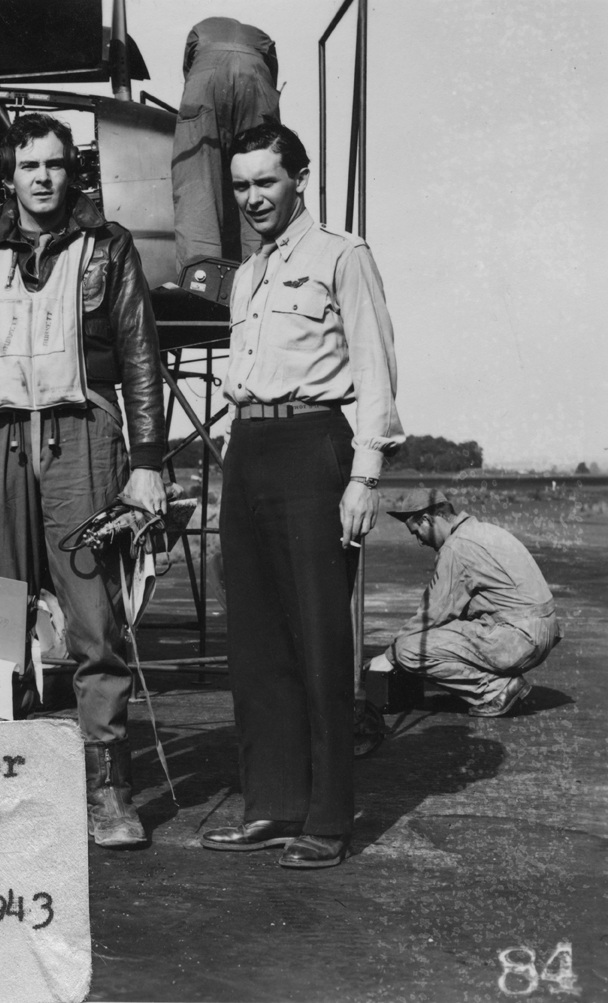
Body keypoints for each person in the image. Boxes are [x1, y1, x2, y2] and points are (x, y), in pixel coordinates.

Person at [0, 113, 167, 849]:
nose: (43, 178)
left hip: (81, 432)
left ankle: (106, 788)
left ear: (75, 173)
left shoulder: (108, 247)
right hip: (0, 437)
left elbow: (139, 353)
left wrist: (144, 461)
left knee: (91, 615)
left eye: (56, 165)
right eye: (29, 166)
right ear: (7, 177)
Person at [202, 123, 404, 869]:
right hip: (249, 450)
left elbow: (376, 366)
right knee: (255, 642)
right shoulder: (246, 273)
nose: (253, 197)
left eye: (266, 181)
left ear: (300, 179)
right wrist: (228, 445)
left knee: (320, 640)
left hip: (312, 448)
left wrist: (364, 473)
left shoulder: (341, 256)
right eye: (241, 185)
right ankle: (273, 804)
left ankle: (325, 817)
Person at [366, 488, 562, 717]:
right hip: (543, 631)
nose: (420, 541)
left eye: (416, 532)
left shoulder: (456, 547)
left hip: (520, 638)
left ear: (428, 519)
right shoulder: (485, 530)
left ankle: (496, 690)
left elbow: (431, 614)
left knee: (408, 650)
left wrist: (389, 656)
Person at [171, 16, 281, 269]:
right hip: (257, 75)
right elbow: (272, 76)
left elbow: (190, 73)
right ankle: (265, 274)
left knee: (197, 185)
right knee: (263, 177)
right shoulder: (260, 34)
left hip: (205, 75)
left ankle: (200, 282)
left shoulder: (201, 28)